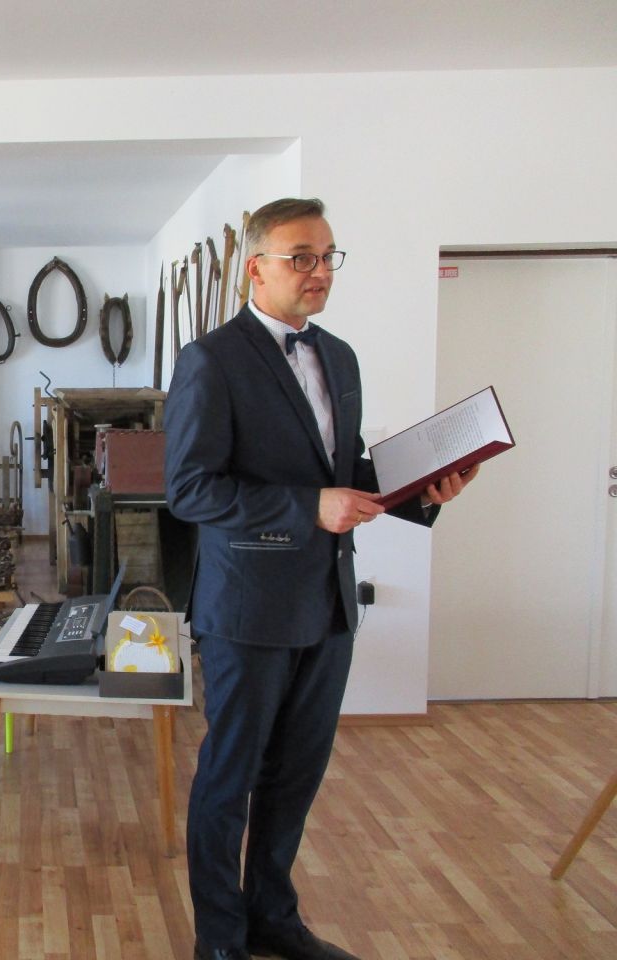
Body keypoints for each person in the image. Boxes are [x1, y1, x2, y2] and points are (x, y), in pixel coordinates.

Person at [163, 198, 475, 960]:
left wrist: (422, 492)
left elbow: (343, 472)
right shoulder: (211, 360)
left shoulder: (340, 357)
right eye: (300, 257)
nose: (320, 271)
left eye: (329, 256)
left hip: (329, 604)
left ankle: (273, 916)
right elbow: (192, 490)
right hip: (247, 611)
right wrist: (309, 506)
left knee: (296, 777)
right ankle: (220, 940)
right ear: (256, 268)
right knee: (230, 780)